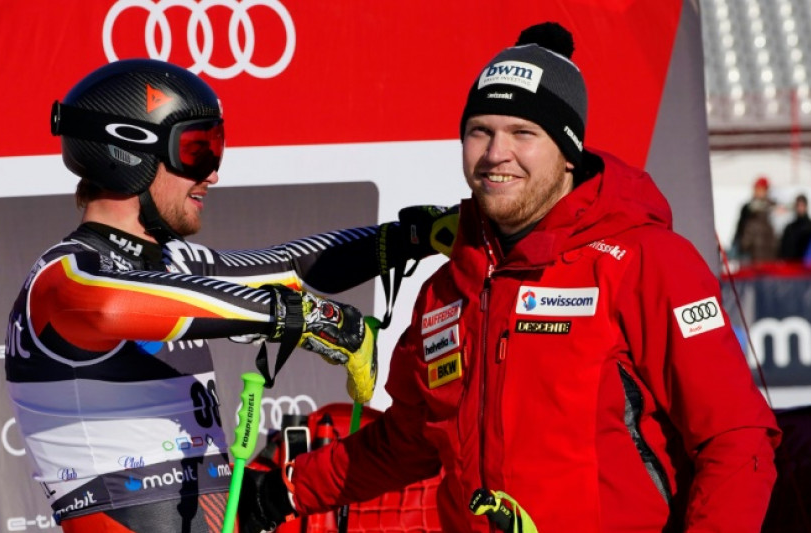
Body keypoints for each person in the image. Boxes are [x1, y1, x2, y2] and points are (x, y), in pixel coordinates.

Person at [238, 22, 781, 533]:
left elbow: (738, 441)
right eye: (481, 131)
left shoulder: (646, 261)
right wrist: (288, 490)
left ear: (568, 152)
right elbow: (407, 440)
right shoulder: (448, 288)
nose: (497, 155)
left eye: (523, 133)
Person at [3, 58, 454, 533]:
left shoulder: (178, 264)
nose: (212, 175)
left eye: (215, 150)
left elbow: (292, 267)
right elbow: (108, 305)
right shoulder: (61, 274)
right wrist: (297, 317)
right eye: (196, 151)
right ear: (128, 153)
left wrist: (413, 237)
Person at [732, 175, 778, 264]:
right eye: (757, 189)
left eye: (762, 189)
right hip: (750, 253)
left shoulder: (773, 208)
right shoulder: (747, 208)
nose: (759, 192)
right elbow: (740, 228)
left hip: (768, 254)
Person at [778, 193, 811, 261]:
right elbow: (783, 251)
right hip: (793, 266)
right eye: (798, 205)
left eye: (802, 205)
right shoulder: (789, 228)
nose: (800, 208)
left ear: (806, 206)